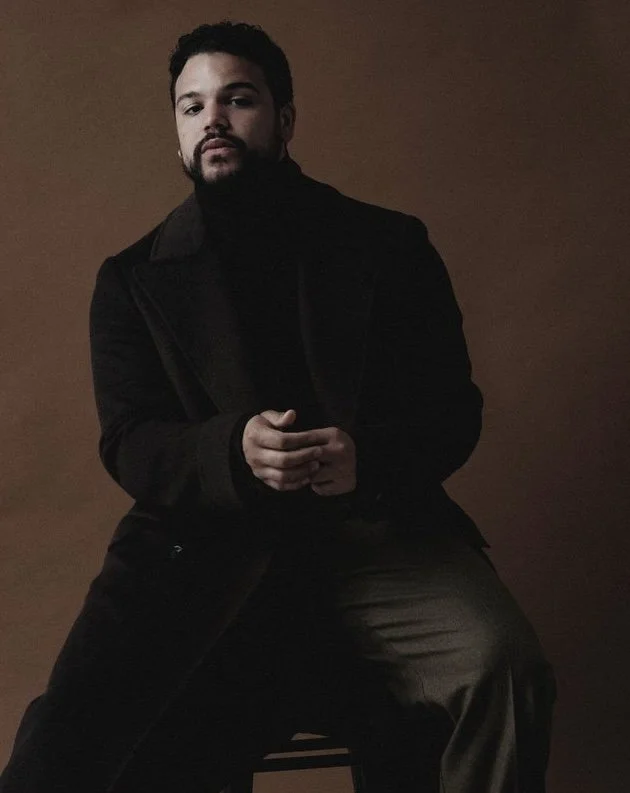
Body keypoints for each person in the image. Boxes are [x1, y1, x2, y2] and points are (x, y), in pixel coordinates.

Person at [0, 21, 556, 793]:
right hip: (207, 552)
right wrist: (233, 451)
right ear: (177, 131)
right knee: (74, 743)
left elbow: (451, 408)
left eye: (238, 99)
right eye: (192, 106)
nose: (213, 120)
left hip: (379, 538)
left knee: (506, 665)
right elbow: (130, 440)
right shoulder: (131, 277)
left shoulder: (390, 244)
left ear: (284, 119)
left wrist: (367, 459)